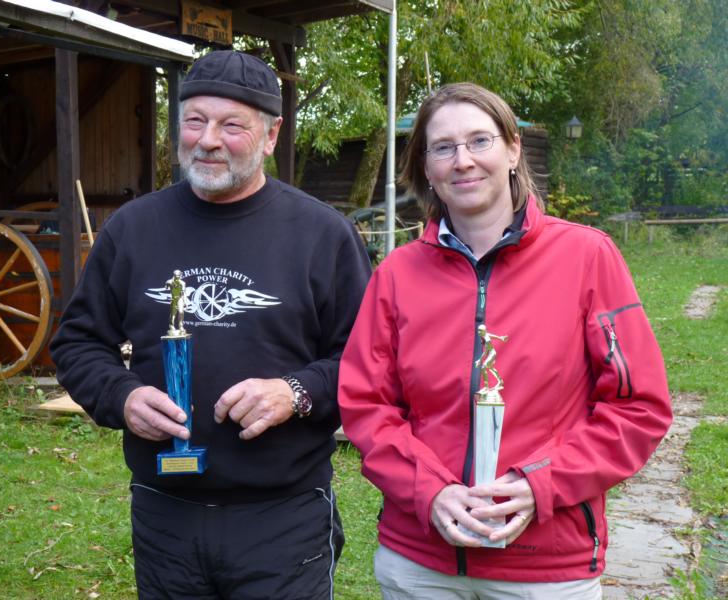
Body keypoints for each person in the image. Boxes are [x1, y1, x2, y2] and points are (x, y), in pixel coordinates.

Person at [50, 50, 371, 600]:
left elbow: (370, 362)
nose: (208, 140)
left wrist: (296, 392)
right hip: (165, 513)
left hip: (284, 515)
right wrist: (122, 396)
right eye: (195, 121)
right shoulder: (133, 229)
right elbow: (78, 343)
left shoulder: (322, 235)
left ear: (271, 135)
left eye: (232, 126)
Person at [337, 82, 672, 599]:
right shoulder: (397, 274)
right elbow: (366, 405)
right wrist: (431, 490)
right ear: (426, 167)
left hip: (546, 565)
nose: (463, 160)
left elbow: (638, 406)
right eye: (443, 147)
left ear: (513, 149)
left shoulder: (587, 257)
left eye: (480, 141)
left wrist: (541, 484)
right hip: (421, 563)